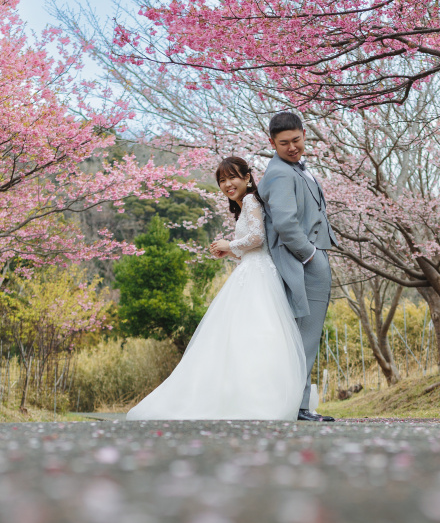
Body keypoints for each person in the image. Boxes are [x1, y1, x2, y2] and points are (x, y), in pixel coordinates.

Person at [126, 157, 306, 420]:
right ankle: (247, 399)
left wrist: (229, 245)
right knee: (244, 337)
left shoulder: (252, 201)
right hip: (251, 271)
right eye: (222, 180)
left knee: (254, 335)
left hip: (258, 277)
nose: (227, 184)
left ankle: (258, 400)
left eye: (232, 177)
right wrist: (230, 252)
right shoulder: (245, 205)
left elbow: (257, 238)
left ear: (247, 177)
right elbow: (253, 247)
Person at [258, 110, 336, 422]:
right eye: (284, 143)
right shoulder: (279, 173)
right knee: (305, 336)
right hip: (304, 262)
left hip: (309, 258)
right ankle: (299, 406)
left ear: (305, 134)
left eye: (297, 140)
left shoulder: (295, 168)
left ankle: (297, 404)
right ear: (271, 143)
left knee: (305, 335)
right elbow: (286, 223)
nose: (292, 147)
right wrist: (310, 256)